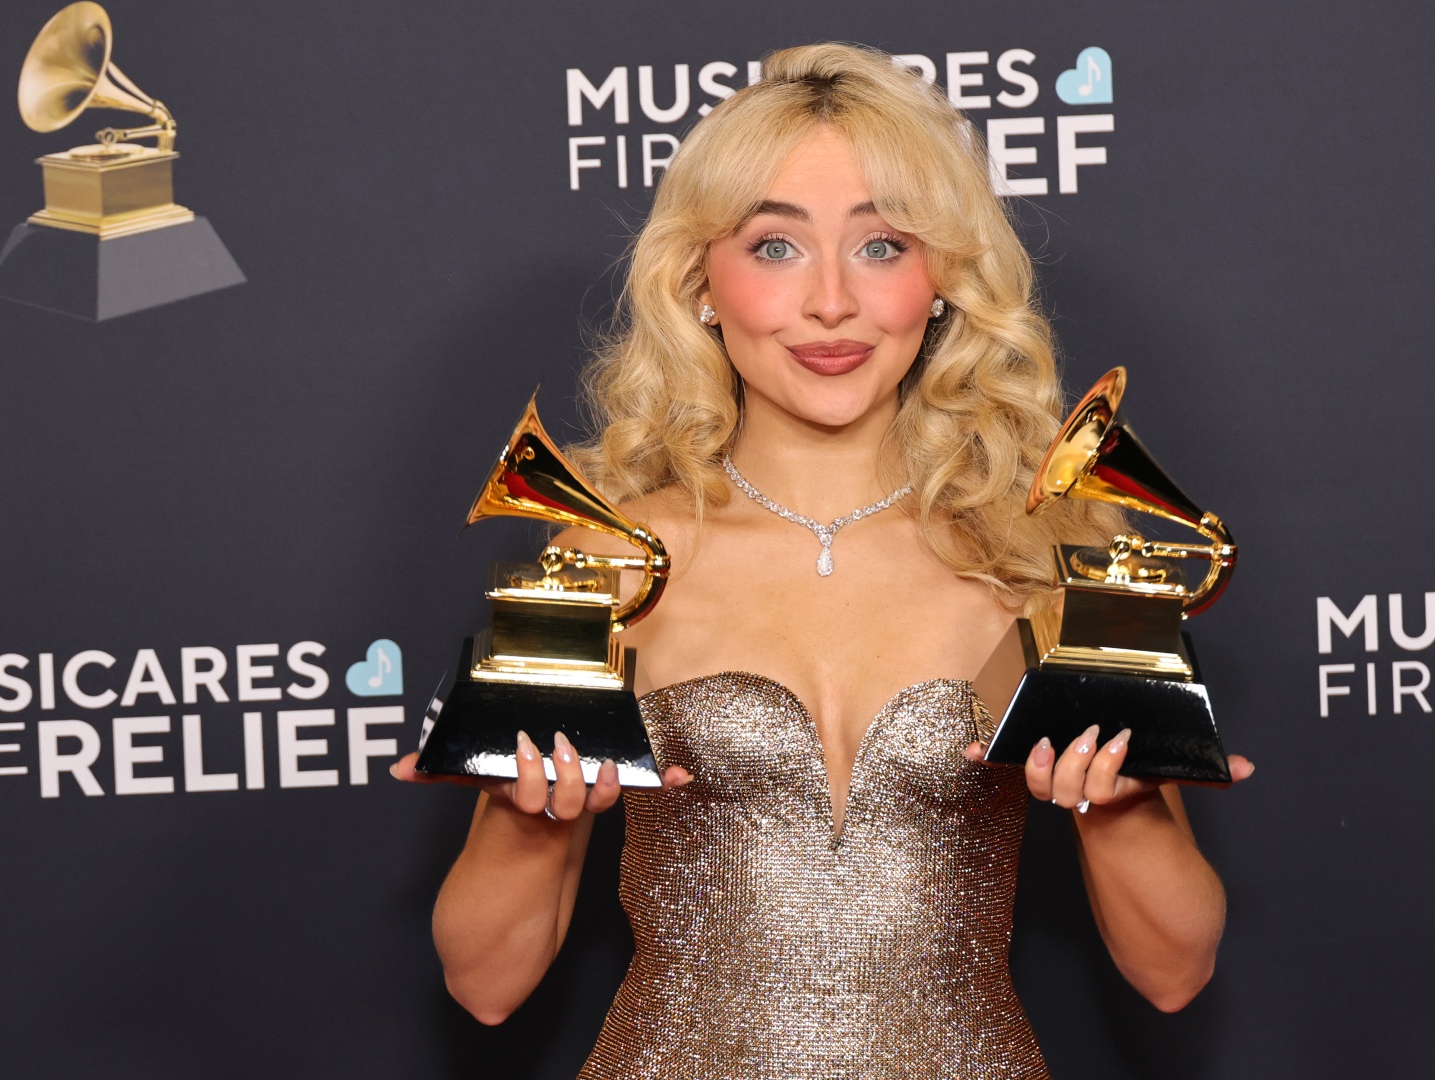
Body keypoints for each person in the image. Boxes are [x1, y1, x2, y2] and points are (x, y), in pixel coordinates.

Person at [393, 42, 1253, 1079]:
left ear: (943, 282)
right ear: (699, 282)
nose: (833, 302)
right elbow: (485, 986)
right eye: (776, 247)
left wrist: (1116, 805)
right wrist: (520, 818)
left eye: (883, 246)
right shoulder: (616, 558)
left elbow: (1175, 972)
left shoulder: (1032, 560)